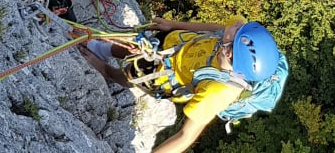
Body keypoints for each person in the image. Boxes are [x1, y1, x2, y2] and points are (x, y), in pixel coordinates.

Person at [80, 17, 281, 153]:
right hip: (174, 43)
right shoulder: (237, 35)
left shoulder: (218, 91)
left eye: (236, 30)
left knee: (133, 73)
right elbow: (215, 29)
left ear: (229, 53)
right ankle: (103, 49)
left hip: (165, 76)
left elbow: (186, 136)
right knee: (138, 49)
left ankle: (107, 71)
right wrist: (172, 25)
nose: (237, 24)